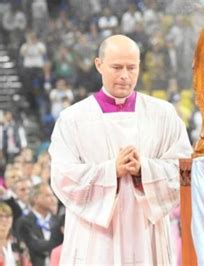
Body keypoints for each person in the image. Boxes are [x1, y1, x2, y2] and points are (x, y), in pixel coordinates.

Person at [49, 34, 193, 265]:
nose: (125, 76)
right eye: (116, 67)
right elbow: (62, 177)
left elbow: (185, 170)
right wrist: (111, 171)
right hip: (96, 237)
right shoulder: (73, 119)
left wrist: (143, 170)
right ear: (99, 65)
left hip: (146, 232)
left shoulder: (163, 114)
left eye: (131, 68)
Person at [17, 183, 62, 266]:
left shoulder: (57, 221)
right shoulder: (24, 222)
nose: (53, 199)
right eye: (48, 196)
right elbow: (34, 245)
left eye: (53, 195)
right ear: (35, 199)